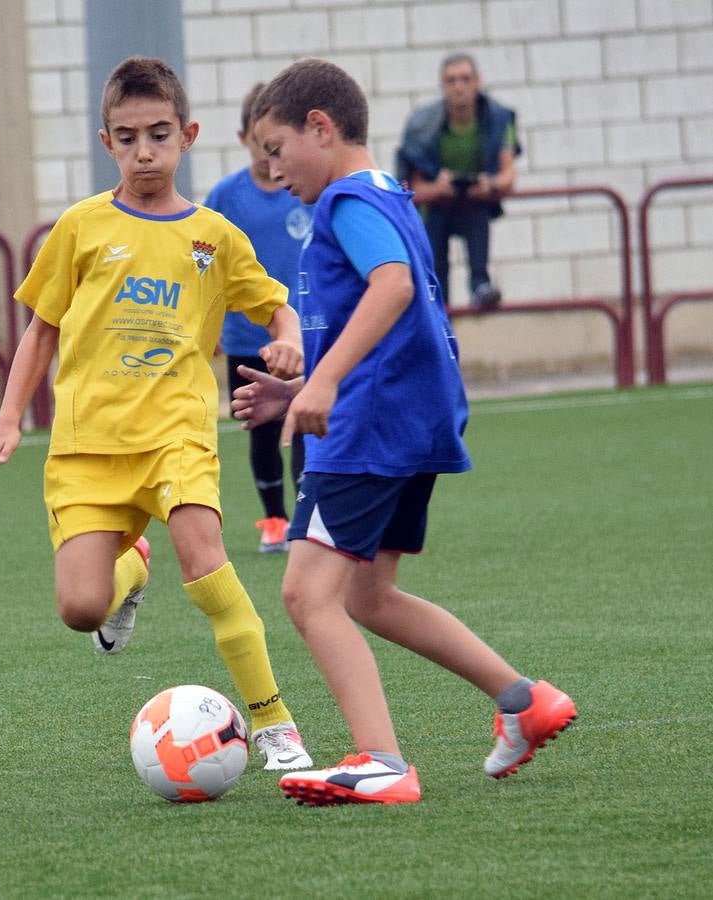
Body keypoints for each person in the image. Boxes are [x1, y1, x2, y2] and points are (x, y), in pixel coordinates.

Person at [230, 58, 575, 805]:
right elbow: (390, 311)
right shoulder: (386, 191)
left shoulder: (347, 201)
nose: (271, 166)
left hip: (368, 428)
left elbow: (390, 287)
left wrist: (323, 384)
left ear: (319, 128)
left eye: (276, 147)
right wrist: (299, 387)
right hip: (407, 419)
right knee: (368, 594)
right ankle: (523, 701)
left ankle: (380, 760)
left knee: (305, 594)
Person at [0, 56, 312, 772]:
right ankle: (130, 572)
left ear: (186, 135)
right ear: (105, 141)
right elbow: (42, 328)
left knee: (206, 563)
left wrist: (289, 341)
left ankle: (274, 723)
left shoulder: (213, 234)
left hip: (176, 435)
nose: (143, 151)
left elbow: (273, 303)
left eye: (157, 133)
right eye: (127, 137)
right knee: (80, 609)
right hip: (88, 446)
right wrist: (7, 420)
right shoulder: (81, 228)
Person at [204, 83, 310, 554]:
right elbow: (201, 264)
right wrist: (206, 324)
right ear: (244, 136)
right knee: (261, 430)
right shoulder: (226, 196)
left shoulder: (304, 190)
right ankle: (274, 520)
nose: (269, 153)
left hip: (303, 335)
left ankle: (308, 517)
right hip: (247, 337)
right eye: (259, 141)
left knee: (305, 420)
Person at [395, 52, 519, 308]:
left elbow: (508, 176)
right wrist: (438, 188)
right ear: (442, 86)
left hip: (474, 205)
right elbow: (411, 188)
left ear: (477, 81)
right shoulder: (422, 125)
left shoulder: (499, 118)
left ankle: (480, 285)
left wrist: (489, 185)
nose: (459, 87)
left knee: (476, 213)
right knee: (436, 278)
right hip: (436, 208)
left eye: (465, 79)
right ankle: (438, 301)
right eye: (451, 80)